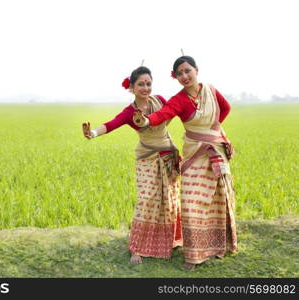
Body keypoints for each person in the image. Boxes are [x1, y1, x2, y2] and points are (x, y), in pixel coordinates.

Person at [133, 56, 237, 270]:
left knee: (217, 199)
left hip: (215, 151)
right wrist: (146, 120)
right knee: (190, 203)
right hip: (194, 155)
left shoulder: (211, 90)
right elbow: (163, 114)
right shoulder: (179, 99)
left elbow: (224, 109)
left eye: (187, 70)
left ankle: (217, 246)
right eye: (179, 73)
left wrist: (210, 132)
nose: (184, 76)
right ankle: (194, 255)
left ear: (196, 70)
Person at [82, 66, 182, 264]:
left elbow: (176, 110)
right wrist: (92, 133)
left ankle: (169, 240)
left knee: (169, 198)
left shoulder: (160, 101)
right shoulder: (130, 112)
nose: (145, 88)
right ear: (132, 87)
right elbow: (111, 124)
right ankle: (137, 248)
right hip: (147, 157)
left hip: (168, 155)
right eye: (141, 84)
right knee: (146, 200)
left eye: (148, 83)